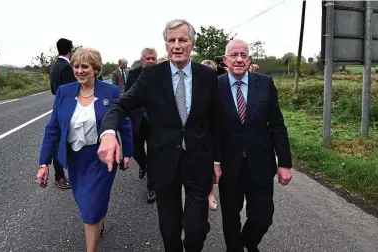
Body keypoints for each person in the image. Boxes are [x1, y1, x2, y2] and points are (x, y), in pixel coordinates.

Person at [97, 19, 223, 252]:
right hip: (164, 162)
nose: (177, 45)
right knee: (169, 229)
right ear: (165, 44)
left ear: (192, 44)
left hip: (199, 160)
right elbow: (120, 105)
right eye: (171, 40)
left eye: (182, 40)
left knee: (196, 229)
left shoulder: (207, 76)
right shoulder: (151, 76)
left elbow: (216, 121)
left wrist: (217, 160)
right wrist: (108, 132)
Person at [37, 48, 133, 252]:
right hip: (75, 159)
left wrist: (128, 152)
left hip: (102, 158)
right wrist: (44, 163)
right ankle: (98, 218)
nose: (79, 70)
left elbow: (124, 123)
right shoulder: (64, 92)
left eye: (84, 66)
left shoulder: (111, 92)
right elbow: (53, 129)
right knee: (86, 202)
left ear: (96, 69)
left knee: (90, 208)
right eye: (76, 66)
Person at [217, 39, 293, 252]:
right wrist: (211, 161)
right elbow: (209, 129)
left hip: (260, 164)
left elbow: (277, 124)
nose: (239, 59)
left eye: (243, 55)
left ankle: (248, 242)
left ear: (249, 60)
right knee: (230, 218)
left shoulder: (265, 83)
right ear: (225, 60)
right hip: (229, 166)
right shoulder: (216, 86)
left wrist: (284, 162)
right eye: (234, 55)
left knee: (263, 217)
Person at [125, 47, 158, 203]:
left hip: (155, 123)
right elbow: (127, 96)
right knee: (136, 151)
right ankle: (143, 165)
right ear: (142, 59)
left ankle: (152, 187)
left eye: (153, 58)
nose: (151, 61)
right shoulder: (133, 74)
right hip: (137, 120)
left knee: (154, 156)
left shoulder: (162, 73)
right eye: (148, 58)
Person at [48, 38, 77, 189]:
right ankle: (60, 176)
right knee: (62, 141)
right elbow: (70, 90)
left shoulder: (53, 66)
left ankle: (60, 174)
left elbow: (53, 89)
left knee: (59, 140)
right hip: (67, 107)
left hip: (57, 105)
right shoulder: (67, 67)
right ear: (70, 50)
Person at [200, 59, 219, 211]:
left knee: (211, 164)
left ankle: (211, 193)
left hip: (211, 133)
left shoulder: (217, 87)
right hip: (195, 134)